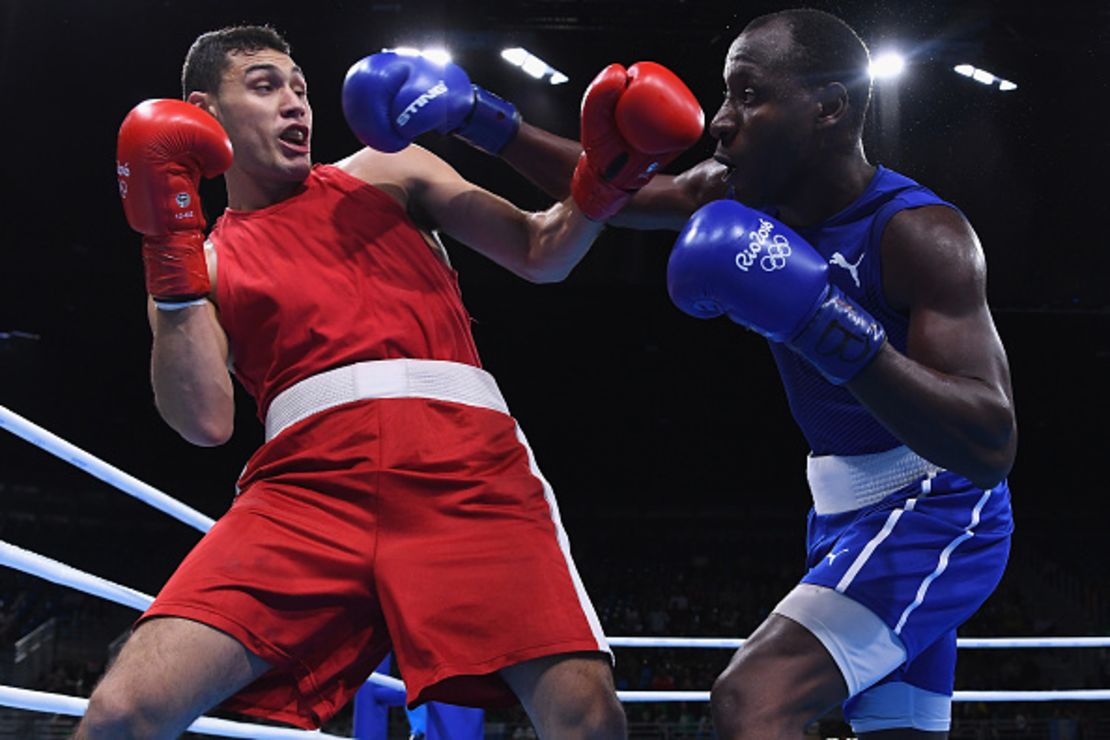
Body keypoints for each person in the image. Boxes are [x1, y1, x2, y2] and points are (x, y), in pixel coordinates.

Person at [80, 24, 703, 738]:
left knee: (587, 718)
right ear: (203, 110)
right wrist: (168, 247)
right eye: (264, 86)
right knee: (121, 711)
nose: (295, 104)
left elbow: (542, 251)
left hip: (467, 465)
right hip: (305, 487)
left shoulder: (388, 166)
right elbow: (204, 422)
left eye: (300, 88)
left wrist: (610, 176)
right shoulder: (206, 261)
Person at [472, 7, 1018, 739]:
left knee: (752, 699)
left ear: (828, 107)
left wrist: (827, 325)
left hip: (938, 507)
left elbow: (989, 444)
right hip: (838, 512)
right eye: (725, 97)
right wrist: (481, 119)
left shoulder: (921, 234)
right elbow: (615, 198)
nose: (721, 122)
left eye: (749, 95)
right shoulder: (736, 196)